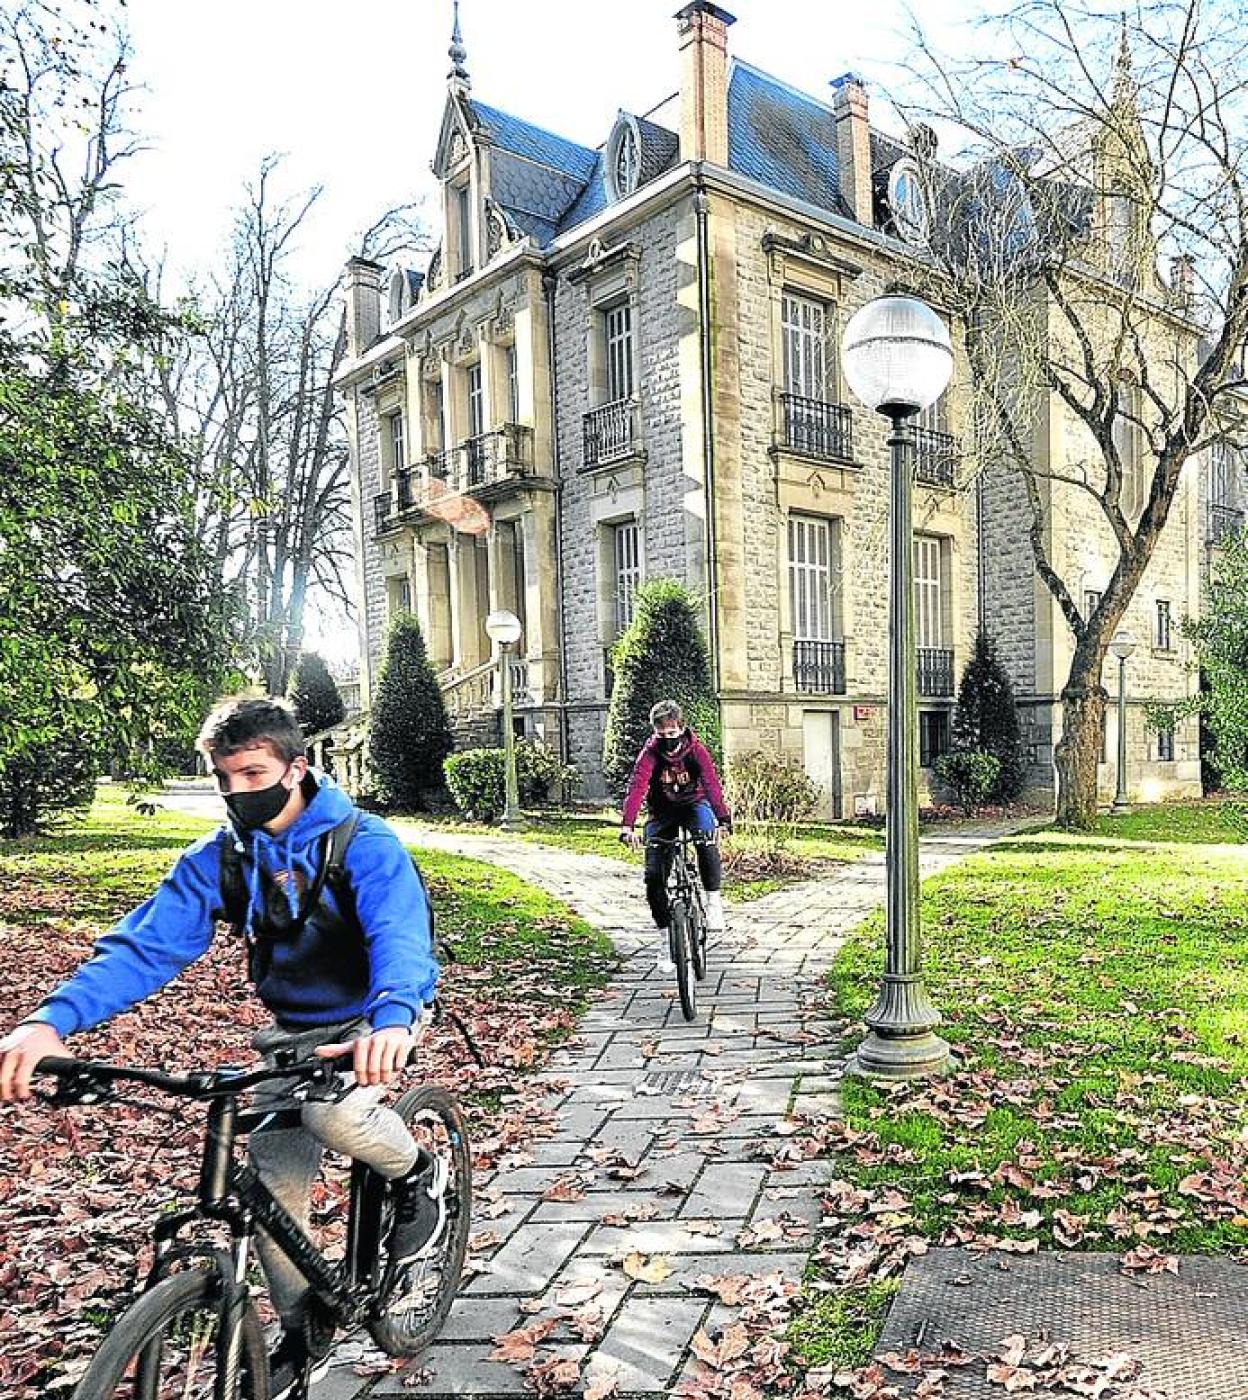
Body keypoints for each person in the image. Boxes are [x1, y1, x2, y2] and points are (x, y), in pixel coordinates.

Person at [0, 697, 442, 1400]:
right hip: (293, 1035)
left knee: (334, 1118)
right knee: (271, 1180)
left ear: (297, 768)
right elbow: (147, 944)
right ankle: (303, 1327)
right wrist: (52, 1021)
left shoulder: (365, 842)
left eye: (252, 772)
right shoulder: (222, 859)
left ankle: (418, 1174)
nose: (237, 791)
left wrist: (391, 1021)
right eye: (223, 778)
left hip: (375, 1018)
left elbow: (400, 936)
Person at [619, 699, 731, 972]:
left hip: (695, 805)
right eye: (662, 734)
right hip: (662, 812)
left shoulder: (697, 751)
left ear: (681, 728)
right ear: (655, 732)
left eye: (672, 733)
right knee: (653, 876)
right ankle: (666, 938)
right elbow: (637, 787)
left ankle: (713, 901)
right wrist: (627, 826)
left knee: (706, 839)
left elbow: (711, 783)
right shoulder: (650, 754)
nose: (668, 739)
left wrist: (723, 818)